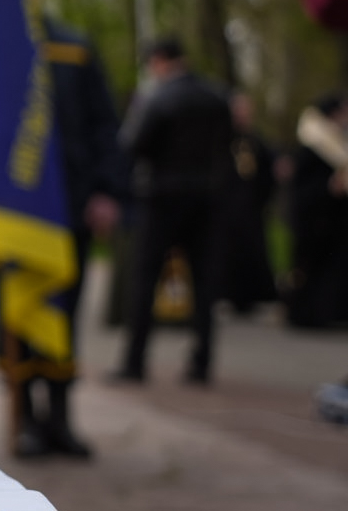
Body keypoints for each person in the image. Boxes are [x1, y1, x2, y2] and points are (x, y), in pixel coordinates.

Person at [0, 18, 126, 458]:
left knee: (61, 314)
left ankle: (60, 419)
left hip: (69, 204)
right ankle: (24, 419)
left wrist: (107, 189)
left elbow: (103, 123)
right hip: (7, 209)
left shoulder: (74, 44)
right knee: (14, 316)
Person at [115, 36, 233, 385]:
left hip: (161, 198)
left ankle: (135, 361)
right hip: (207, 199)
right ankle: (202, 363)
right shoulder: (217, 97)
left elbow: (133, 145)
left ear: (160, 61)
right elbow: (228, 144)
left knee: (145, 279)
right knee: (204, 282)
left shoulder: (157, 98)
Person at [288, 93, 348, 329]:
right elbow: (301, 187)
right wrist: (328, 187)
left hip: (335, 220)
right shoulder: (312, 144)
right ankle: (307, 315)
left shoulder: (339, 143)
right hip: (315, 220)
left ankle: (331, 313)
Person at [218, 93, 279, 315]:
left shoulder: (256, 140)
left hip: (251, 206)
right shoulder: (221, 138)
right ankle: (225, 294)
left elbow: (268, 171)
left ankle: (253, 296)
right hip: (226, 206)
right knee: (226, 252)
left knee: (253, 251)